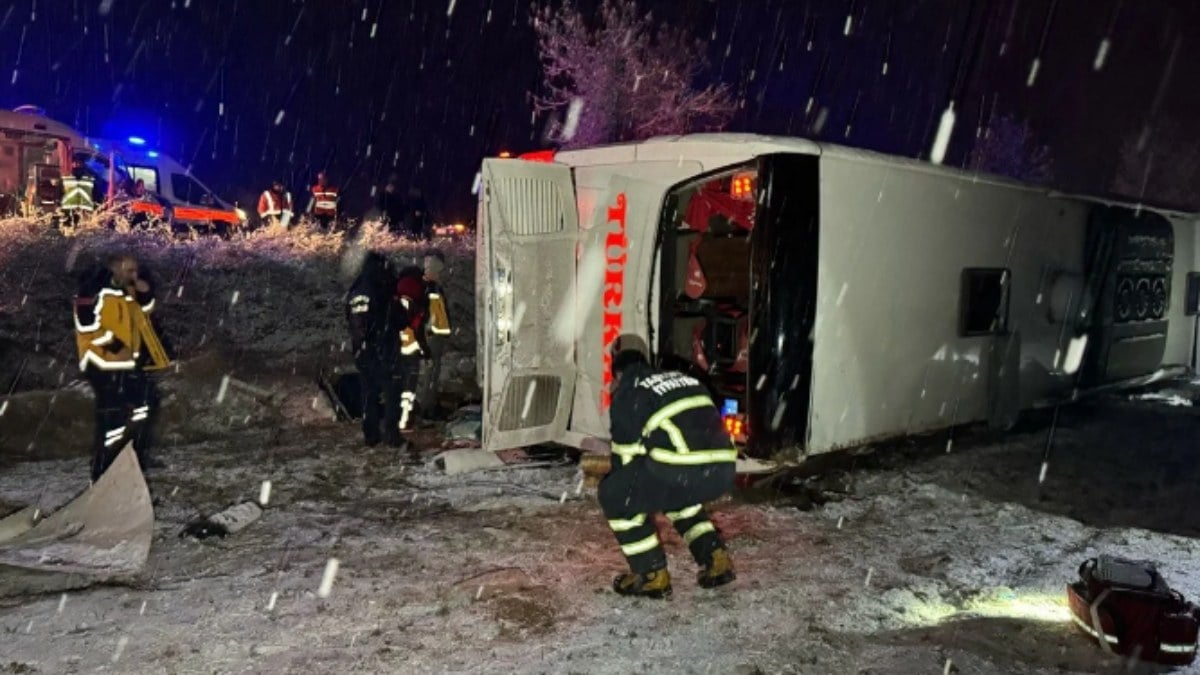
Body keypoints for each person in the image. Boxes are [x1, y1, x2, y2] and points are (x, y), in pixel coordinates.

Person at [598, 334, 738, 599]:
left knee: (616, 494)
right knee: (677, 495)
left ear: (616, 371)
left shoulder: (630, 390)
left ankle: (651, 574)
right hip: (722, 469)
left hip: (682, 468)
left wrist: (620, 485)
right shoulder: (681, 378)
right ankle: (715, 558)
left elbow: (625, 460)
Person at [74, 253, 172, 481]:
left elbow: (144, 312)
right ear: (116, 265)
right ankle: (102, 471)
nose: (134, 275)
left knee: (148, 402)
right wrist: (116, 346)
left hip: (125, 363)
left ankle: (134, 457)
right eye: (130, 270)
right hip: (101, 363)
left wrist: (144, 291)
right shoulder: (93, 288)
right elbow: (86, 325)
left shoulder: (124, 289)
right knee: (112, 418)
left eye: (136, 271)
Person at [416, 249, 452, 422]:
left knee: (431, 374)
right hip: (430, 337)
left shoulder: (432, 286)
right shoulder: (428, 287)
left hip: (433, 336)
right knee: (429, 374)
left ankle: (428, 408)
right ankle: (425, 411)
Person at [394, 266, 430, 436]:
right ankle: (405, 420)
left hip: (394, 346)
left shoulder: (396, 290)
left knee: (398, 384)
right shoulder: (416, 293)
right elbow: (417, 325)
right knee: (409, 386)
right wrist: (424, 347)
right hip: (410, 345)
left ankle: (397, 418)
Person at [60, 157, 97, 227]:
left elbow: (97, 195)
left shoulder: (66, 177)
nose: (76, 164)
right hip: (76, 213)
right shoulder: (90, 178)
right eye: (75, 162)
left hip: (78, 213)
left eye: (78, 162)